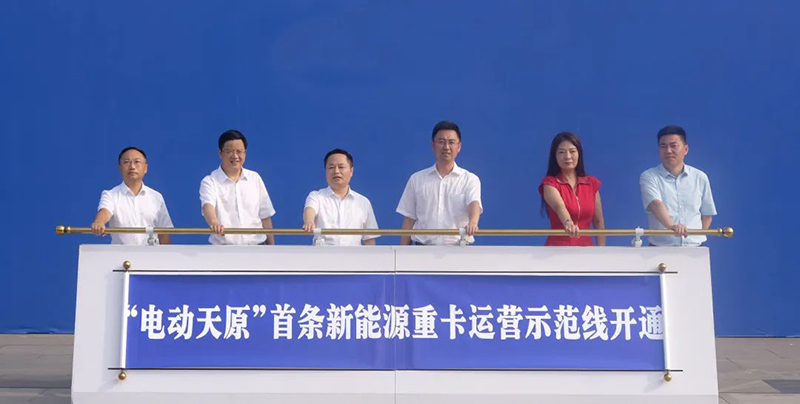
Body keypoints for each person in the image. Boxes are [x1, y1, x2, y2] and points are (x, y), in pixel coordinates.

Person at [396, 120, 482, 245]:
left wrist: (473, 223)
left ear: (459, 147)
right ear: (433, 145)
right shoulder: (417, 179)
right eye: (441, 142)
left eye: (451, 142)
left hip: (458, 249)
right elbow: (409, 219)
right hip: (422, 251)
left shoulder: (469, 179)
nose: (446, 147)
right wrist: (402, 252)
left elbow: (474, 203)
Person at [640, 125, 716, 246]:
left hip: (695, 249)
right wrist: (672, 227)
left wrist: (695, 238)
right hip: (660, 248)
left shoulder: (700, 177)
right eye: (663, 146)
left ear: (685, 149)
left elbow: (707, 214)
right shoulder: (649, 176)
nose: (668, 151)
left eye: (673, 146)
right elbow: (655, 204)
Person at [199, 129, 276, 245]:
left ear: (245, 153)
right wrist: (214, 222)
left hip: (257, 249)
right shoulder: (210, 181)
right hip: (223, 250)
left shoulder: (254, 178)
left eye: (239, 151)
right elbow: (207, 206)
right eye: (229, 151)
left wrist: (272, 247)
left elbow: (265, 216)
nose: (235, 156)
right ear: (220, 153)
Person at [91, 147, 173, 245]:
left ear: (145, 168)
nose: (132, 166)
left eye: (137, 162)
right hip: (121, 254)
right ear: (120, 168)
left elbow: (164, 234)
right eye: (126, 162)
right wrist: (99, 222)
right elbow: (105, 211)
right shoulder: (111, 195)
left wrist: (167, 254)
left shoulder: (156, 197)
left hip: (151, 253)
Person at [538, 132, 605, 246]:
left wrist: (602, 251)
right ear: (555, 156)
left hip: (586, 249)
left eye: (572, 151)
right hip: (558, 249)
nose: (567, 156)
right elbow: (559, 207)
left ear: (579, 153)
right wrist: (568, 222)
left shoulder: (591, 183)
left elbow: (598, 222)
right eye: (561, 152)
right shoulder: (550, 183)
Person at [302, 149, 379, 246]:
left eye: (341, 167)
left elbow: (369, 239)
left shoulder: (363, 202)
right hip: (323, 254)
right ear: (326, 172)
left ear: (351, 171)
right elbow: (310, 209)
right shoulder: (317, 196)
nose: (336, 171)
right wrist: (309, 222)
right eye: (331, 167)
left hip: (353, 254)